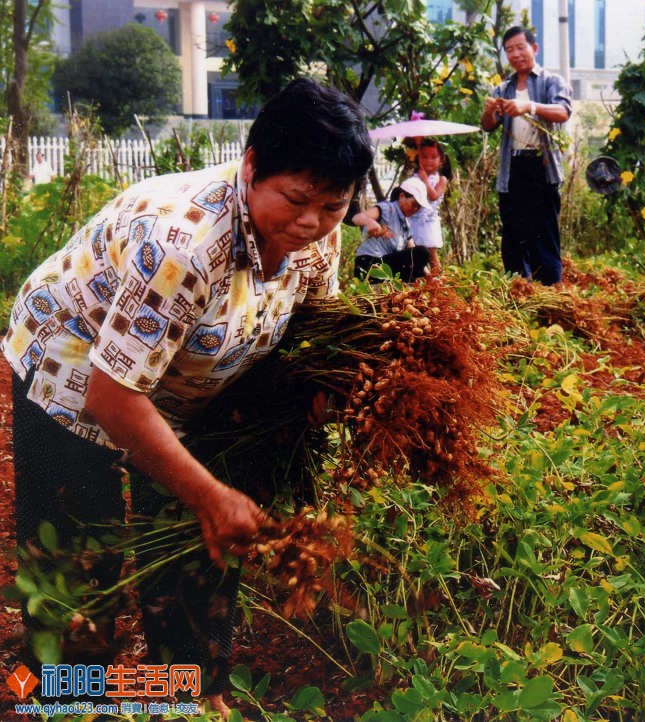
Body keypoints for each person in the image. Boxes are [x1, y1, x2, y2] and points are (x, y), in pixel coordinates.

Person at [3, 77, 373, 716]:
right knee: (79, 567)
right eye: (296, 199)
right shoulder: (184, 244)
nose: (312, 222)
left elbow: (313, 326)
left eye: (334, 206)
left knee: (193, 556)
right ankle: (47, 696)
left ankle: (186, 694)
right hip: (72, 368)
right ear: (252, 165)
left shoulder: (317, 232)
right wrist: (212, 493)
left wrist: (319, 397)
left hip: (182, 385)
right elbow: (113, 399)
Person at [481, 25, 572, 286]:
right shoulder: (505, 87)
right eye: (509, 50)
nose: (515, 54)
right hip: (512, 169)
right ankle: (519, 291)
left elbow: (563, 111)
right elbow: (488, 125)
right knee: (513, 235)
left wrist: (529, 106)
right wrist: (489, 110)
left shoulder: (551, 81)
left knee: (544, 235)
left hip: (541, 167)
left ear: (534, 48)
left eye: (520, 47)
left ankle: (550, 296)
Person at [352, 176, 432, 282]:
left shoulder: (405, 225)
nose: (415, 209)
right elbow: (357, 218)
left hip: (384, 266)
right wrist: (371, 223)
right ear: (402, 196)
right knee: (422, 252)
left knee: (420, 256)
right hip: (369, 264)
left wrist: (429, 276)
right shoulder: (387, 209)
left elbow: (412, 253)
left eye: (418, 207)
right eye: (414, 204)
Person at [409, 138, 450, 275]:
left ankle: (439, 281)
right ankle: (424, 280)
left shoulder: (441, 179)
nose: (428, 161)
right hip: (414, 220)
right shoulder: (415, 176)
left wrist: (425, 180)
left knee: (432, 255)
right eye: (424, 157)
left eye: (433, 157)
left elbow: (433, 196)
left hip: (429, 222)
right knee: (414, 253)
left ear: (441, 160)